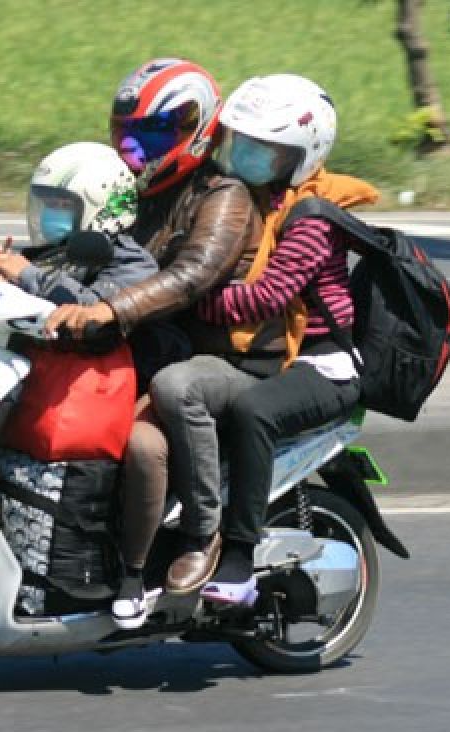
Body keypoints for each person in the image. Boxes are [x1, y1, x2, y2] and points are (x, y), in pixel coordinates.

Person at [44, 58, 264, 630]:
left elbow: (189, 276)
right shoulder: (135, 194)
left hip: (211, 360)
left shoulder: (224, 197)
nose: (139, 148)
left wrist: (108, 309)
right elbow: (90, 246)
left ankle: (179, 547)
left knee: (141, 444)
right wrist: (22, 273)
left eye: (158, 131)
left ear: (197, 128)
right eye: (130, 134)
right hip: (146, 348)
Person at [149, 74, 379, 606]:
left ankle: (237, 558)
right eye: (241, 142)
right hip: (277, 356)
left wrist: (183, 295)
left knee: (254, 410)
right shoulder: (250, 200)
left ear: (301, 155)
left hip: (324, 365)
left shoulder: (312, 217)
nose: (246, 154)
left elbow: (265, 298)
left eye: (264, 148)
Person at [0, 141, 154, 328]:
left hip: (99, 373)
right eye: (47, 204)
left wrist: (25, 274)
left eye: (62, 205)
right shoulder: (47, 256)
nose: (50, 214)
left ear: (103, 206)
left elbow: (91, 310)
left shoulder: (132, 263)